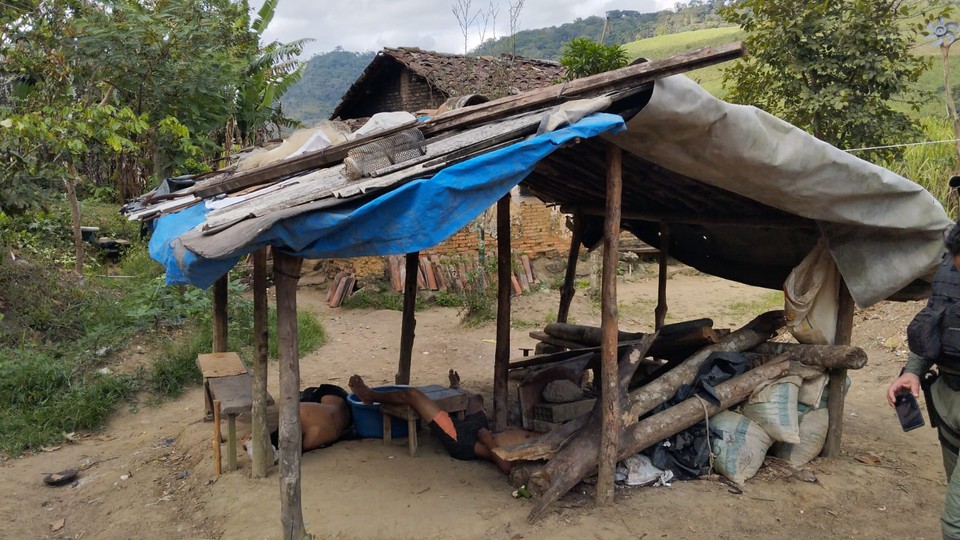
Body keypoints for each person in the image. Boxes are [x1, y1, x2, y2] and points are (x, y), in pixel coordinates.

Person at [887, 221, 960, 539]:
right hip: (947, 399)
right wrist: (913, 370)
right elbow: (937, 317)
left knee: (954, 522)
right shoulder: (948, 255)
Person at [348, 371, 538, 474]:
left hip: (463, 440)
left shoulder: (549, 455)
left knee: (413, 395)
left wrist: (488, 440)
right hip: (481, 430)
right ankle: (456, 387)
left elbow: (505, 466)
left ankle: (370, 395)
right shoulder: (561, 438)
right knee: (476, 399)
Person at [243, 384, 354, 462]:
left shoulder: (309, 440)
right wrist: (251, 442)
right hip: (336, 400)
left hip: (336, 406)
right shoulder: (301, 416)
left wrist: (250, 442)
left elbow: (271, 454)